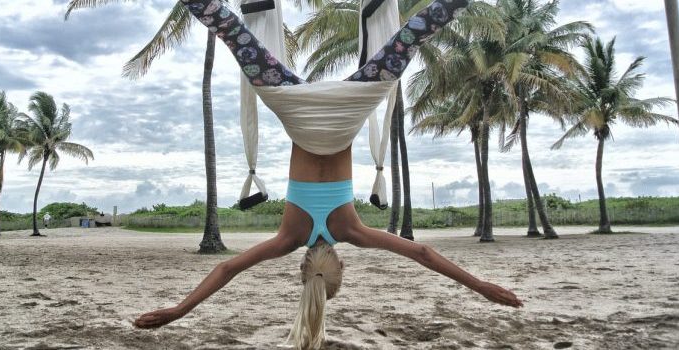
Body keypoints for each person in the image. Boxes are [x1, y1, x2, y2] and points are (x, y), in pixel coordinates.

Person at [134, 0, 522, 348]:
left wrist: (482, 287)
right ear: (303, 270)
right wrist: (178, 309)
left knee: (414, 33)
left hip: (350, 109)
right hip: (293, 107)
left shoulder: (353, 231)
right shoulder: (289, 237)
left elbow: (422, 253)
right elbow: (226, 268)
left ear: (341, 263)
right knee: (229, 28)